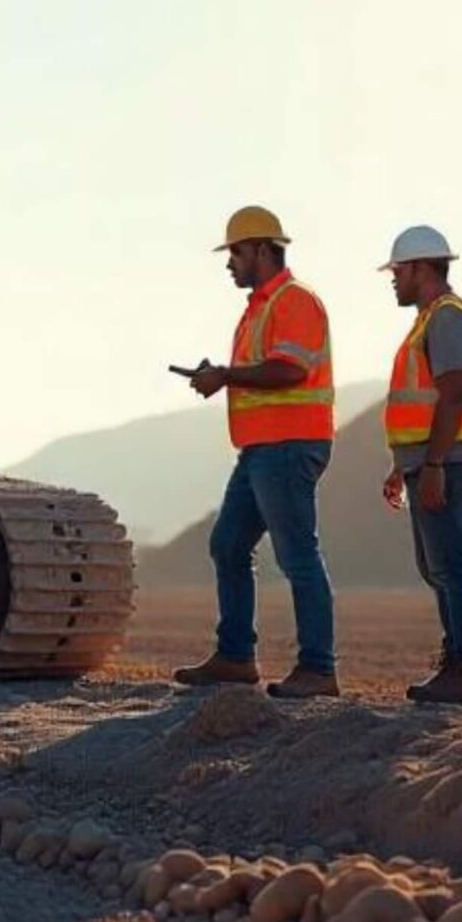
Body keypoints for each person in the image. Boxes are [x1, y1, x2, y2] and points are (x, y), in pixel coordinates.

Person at [172, 206, 341, 699]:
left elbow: (289, 370)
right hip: (261, 449)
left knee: (297, 555)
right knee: (227, 544)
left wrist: (224, 375)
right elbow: (264, 371)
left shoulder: (295, 301)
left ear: (265, 250)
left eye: (237, 253)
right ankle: (235, 658)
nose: (230, 264)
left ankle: (318, 667)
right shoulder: (260, 308)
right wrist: (223, 374)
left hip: (288, 446)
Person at [378, 224, 462, 704]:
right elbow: (428, 402)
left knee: (453, 564)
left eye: (398, 271)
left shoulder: (447, 318)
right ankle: (459, 662)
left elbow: (452, 395)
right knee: (439, 567)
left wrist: (433, 465)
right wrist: (402, 465)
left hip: (449, 461)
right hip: (432, 460)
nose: (393, 279)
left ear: (422, 269)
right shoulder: (431, 319)